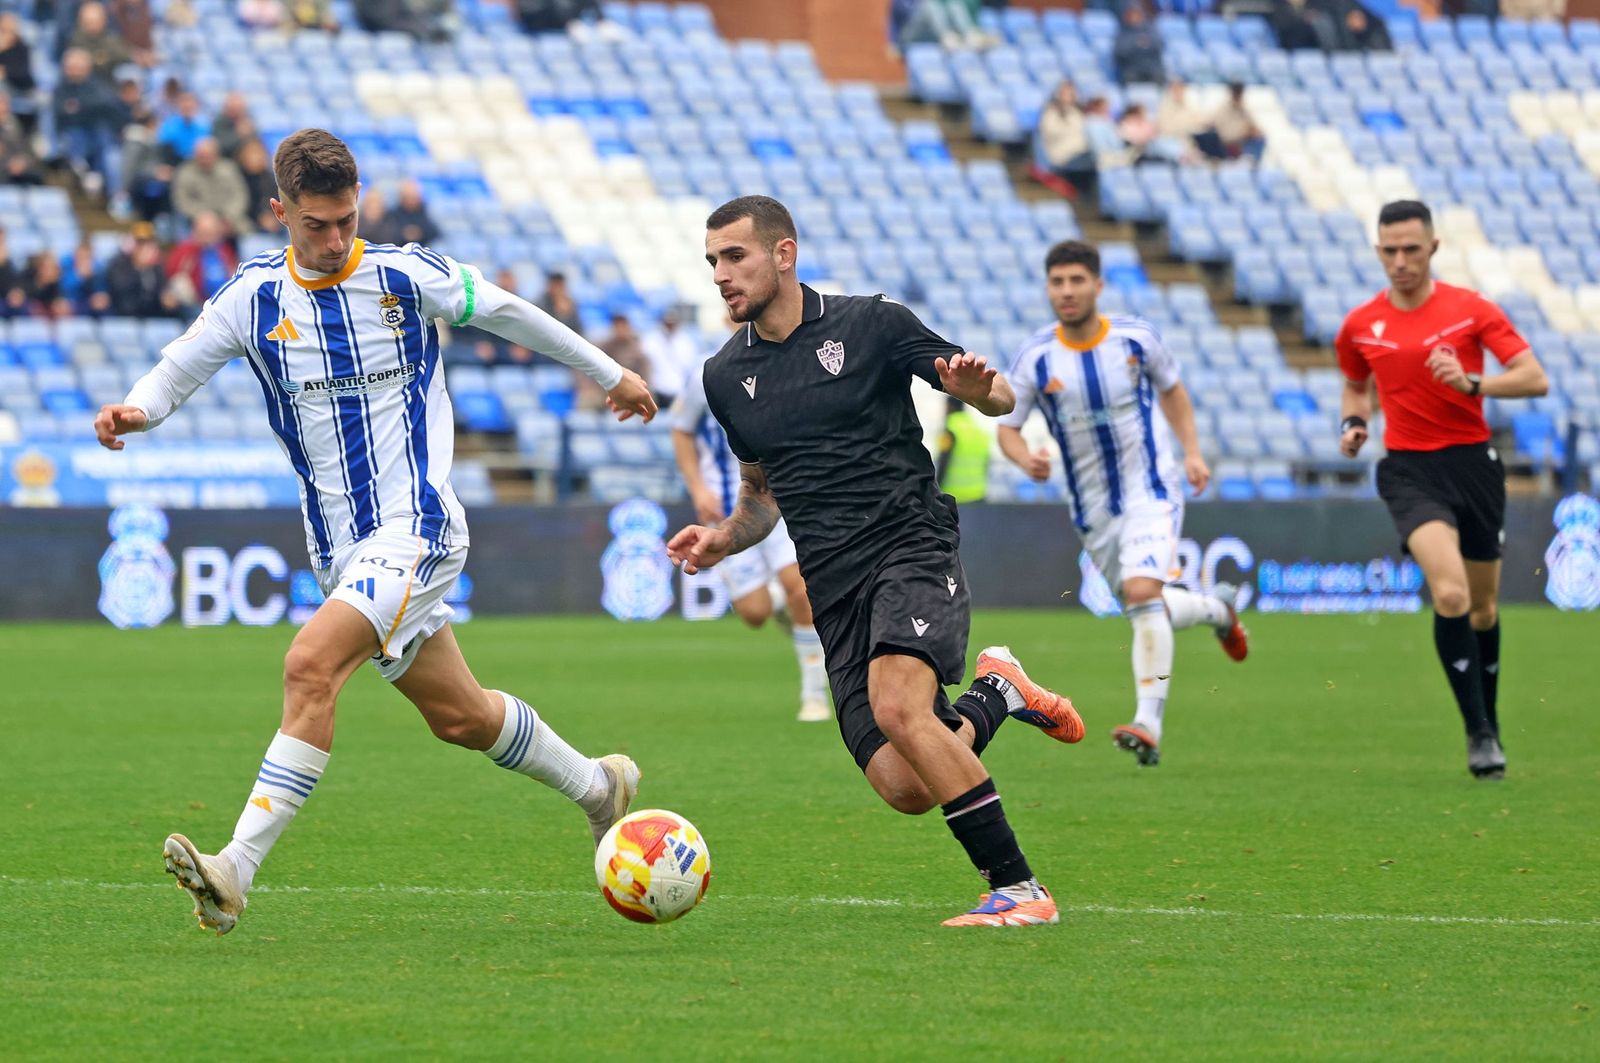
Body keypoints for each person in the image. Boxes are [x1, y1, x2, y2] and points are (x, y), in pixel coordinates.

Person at [92, 128, 658, 935]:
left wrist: (612, 372)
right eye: (316, 225)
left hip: (416, 525)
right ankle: (600, 789)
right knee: (460, 715)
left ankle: (234, 870)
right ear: (279, 211)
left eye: (346, 221)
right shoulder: (253, 298)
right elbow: (180, 365)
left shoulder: (402, 273)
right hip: (340, 549)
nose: (333, 240)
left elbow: (506, 310)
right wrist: (136, 410)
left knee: (309, 664)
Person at [669, 196, 1084, 927]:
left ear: (784, 254)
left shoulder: (872, 323)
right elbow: (762, 497)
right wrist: (724, 537)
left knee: (899, 707)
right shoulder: (724, 376)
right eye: (712, 261)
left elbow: (1002, 395)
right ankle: (998, 691)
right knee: (905, 782)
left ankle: (1020, 890)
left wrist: (980, 392)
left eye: (734, 256)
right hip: (834, 587)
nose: (720, 275)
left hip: (909, 544)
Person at [995, 240, 1248, 768]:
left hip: (1151, 489)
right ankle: (1216, 608)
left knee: (1140, 592)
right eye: (1057, 282)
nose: (1067, 291)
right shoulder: (1037, 357)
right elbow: (1008, 429)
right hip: (1093, 510)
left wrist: (1194, 451)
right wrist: (1025, 461)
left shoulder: (1136, 339)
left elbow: (1174, 391)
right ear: (1048, 289)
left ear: (1097, 285)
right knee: (1142, 605)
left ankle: (1147, 724)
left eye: (1076, 281)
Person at [1335, 200, 1549, 780]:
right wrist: (1353, 424)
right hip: (1408, 470)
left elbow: (1536, 377)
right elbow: (1356, 388)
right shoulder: (1359, 325)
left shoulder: (1471, 309)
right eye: (1389, 250)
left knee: (1483, 608)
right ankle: (1478, 734)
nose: (1400, 260)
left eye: (1410, 248)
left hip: (1473, 466)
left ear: (1433, 248)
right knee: (1450, 595)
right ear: (1378, 251)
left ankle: (1492, 722)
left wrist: (1474, 381)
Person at [672, 347, 831, 723]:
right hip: (727, 512)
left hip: (778, 501)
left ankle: (814, 693)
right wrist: (697, 488)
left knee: (801, 587)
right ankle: (790, 612)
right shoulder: (705, 375)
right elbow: (680, 430)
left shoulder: (789, 367)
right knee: (755, 613)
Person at [936, 395, 989, 504]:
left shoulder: (950, 429)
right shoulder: (978, 429)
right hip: (978, 494)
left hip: (954, 497)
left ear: (949, 407)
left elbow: (943, 461)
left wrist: (935, 490)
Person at [1112, 5, 1165, 86]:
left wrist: (1143, 45)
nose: (1134, 17)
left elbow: (1159, 46)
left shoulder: (1150, 29)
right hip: (1132, 69)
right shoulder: (1122, 32)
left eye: (1136, 14)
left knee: (1160, 75)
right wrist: (1137, 44)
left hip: (1151, 68)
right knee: (1130, 77)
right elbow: (1119, 53)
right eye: (1131, 15)